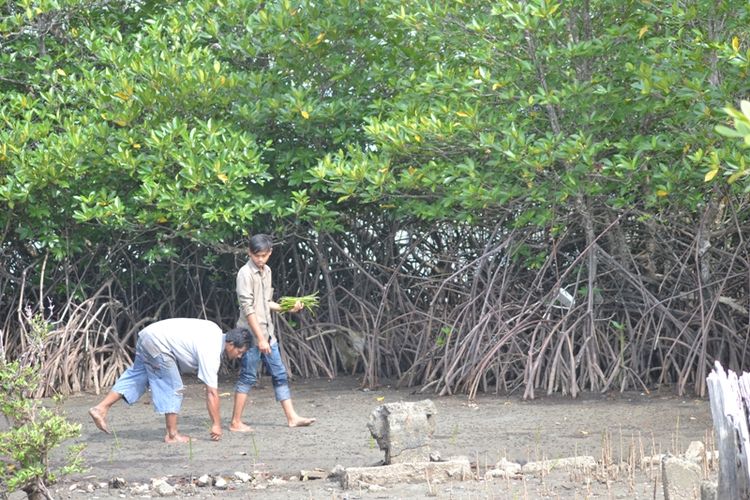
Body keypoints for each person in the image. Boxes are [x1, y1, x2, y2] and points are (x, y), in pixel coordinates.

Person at [88, 318, 252, 443]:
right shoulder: (212, 350)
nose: (239, 356)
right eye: (240, 351)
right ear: (230, 343)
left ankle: (100, 408)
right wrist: (216, 424)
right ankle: (172, 435)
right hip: (158, 344)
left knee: (138, 375)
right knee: (173, 386)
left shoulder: (215, 331)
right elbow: (211, 393)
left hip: (147, 336)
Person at [230, 234, 316, 432]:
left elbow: (266, 302)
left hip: (268, 334)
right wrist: (260, 339)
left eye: (264, 255)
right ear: (249, 253)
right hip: (250, 336)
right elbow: (248, 309)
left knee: (279, 374)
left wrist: (287, 308)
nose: (260, 259)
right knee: (248, 377)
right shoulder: (245, 274)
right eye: (256, 255)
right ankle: (235, 422)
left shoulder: (267, 271)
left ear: (270, 253)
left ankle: (292, 417)